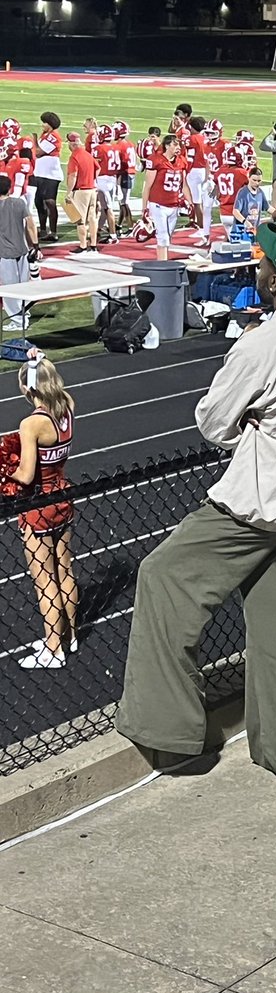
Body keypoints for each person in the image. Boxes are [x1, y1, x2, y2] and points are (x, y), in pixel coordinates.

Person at [115, 224, 276, 785]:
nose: (258, 268)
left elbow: (213, 421)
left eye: (262, 263)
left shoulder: (265, 342)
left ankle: (171, 737)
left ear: (273, 278)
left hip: (252, 508)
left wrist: (254, 421)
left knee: (163, 579)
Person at [8, 347, 78, 670]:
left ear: (29, 387)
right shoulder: (68, 408)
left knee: (44, 579)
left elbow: (25, 474)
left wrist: (3, 472)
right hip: (62, 496)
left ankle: (53, 649)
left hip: (38, 503)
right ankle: (68, 635)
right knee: (65, 570)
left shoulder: (31, 424)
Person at [142, 133, 192, 260]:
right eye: (175, 144)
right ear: (167, 146)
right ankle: (162, 264)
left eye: (179, 144)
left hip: (174, 205)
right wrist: (144, 208)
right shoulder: (156, 160)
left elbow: (184, 184)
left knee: (168, 237)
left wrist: (190, 203)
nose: (178, 147)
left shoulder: (181, 161)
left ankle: (164, 261)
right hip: (158, 204)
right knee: (163, 237)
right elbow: (147, 186)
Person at [0, 173, 39, 330]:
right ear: (9, 189)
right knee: (23, 286)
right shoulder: (19, 203)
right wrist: (35, 245)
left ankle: (18, 322)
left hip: (4, 253)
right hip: (22, 250)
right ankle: (24, 315)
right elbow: (31, 224)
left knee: (9, 288)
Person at [65, 132, 99, 254]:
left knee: (80, 220)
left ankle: (83, 245)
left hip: (81, 191)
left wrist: (69, 192)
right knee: (92, 218)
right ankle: (94, 244)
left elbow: (73, 175)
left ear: (72, 143)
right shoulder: (88, 155)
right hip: (92, 189)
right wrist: (92, 179)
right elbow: (98, 167)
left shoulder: (74, 156)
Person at [32, 111, 63, 242]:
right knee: (39, 202)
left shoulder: (53, 136)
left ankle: (53, 231)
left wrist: (33, 140)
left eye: (44, 122)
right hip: (40, 173)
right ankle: (43, 229)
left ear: (50, 124)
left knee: (50, 202)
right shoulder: (46, 135)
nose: (42, 125)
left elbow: (38, 152)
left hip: (50, 174)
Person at [184, 116, 208, 237]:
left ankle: (202, 227)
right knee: (201, 200)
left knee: (196, 201)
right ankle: (202, 224)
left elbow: (190, 158)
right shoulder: (204, 138)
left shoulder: (192, 139)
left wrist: (185, 171)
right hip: (204, 170)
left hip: (194, 170)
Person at [114, 120, 137, 232]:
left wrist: (117, 176)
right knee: (122, 201)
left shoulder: (119, 146)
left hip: (125, 174)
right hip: (130, 173)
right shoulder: (129, 144)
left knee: (124, 202)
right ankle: (119, 223)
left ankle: (130, 226)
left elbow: (121, 163)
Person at [232, 166, 269, 234]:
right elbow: (235, 211)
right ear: (249, 178)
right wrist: (245, 222)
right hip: (241, 231)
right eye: (254, 180)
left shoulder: (260, 192)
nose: (257, 183)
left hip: (254, 231)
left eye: (259, 181)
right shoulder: (243, 192)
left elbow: (267, 207)